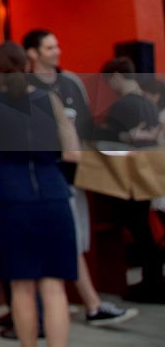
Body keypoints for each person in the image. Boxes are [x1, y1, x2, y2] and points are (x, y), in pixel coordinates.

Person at [22, 30, 136, 327]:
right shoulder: (24, 89)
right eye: (49, 46)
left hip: (76, 176)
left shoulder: (70, 81)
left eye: (57, 44)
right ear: (32, 53)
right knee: (65, 240)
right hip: (46, 177)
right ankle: (91, 304)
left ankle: (65, 301)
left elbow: (85, 127)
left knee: (76, 239)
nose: (57, 51)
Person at [0, 42, 80, 347]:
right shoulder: (51, 100)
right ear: (28, 66)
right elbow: (73, 153)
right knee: (54, 286)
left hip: (12, 197)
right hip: (53, 194)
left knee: (21, 287)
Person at [97, 57, 164, 303]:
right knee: (144, 227)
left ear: (115, 77)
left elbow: (109, 143)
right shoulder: (148, 104)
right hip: (150, 172)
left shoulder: (122, 106)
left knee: (138, 228)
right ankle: (154, 280)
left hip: (130, 175)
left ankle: (153, 283)